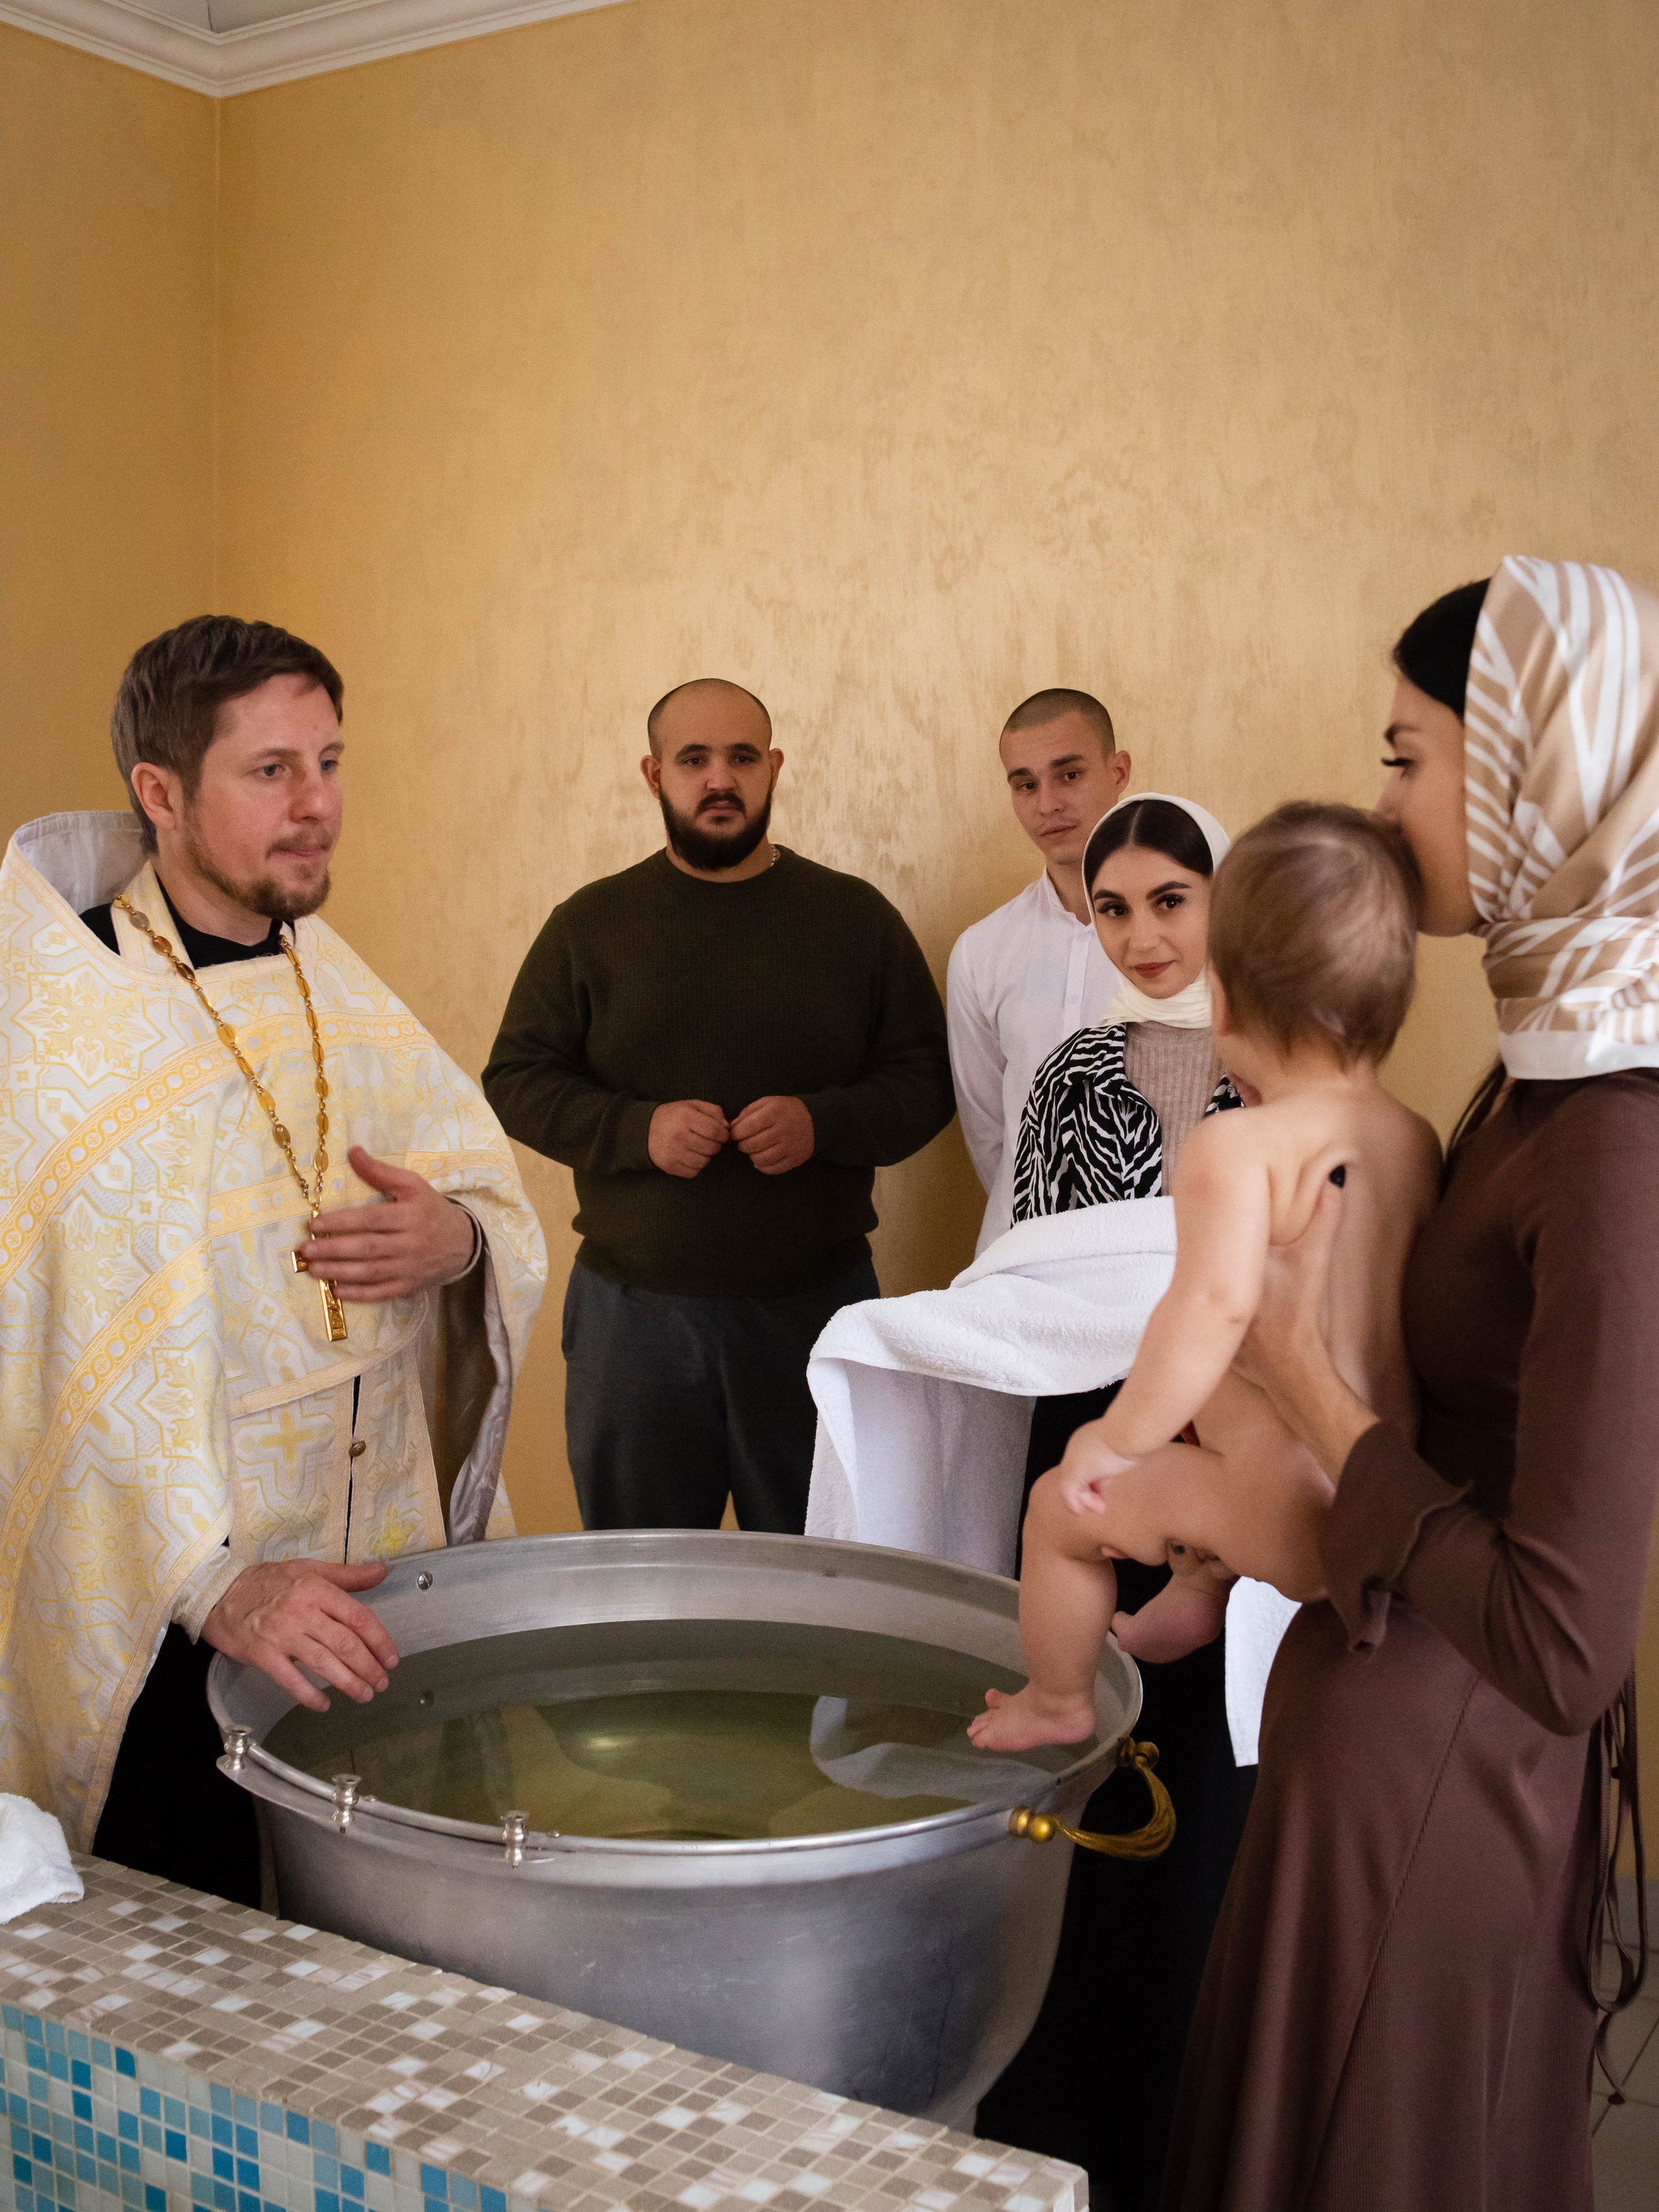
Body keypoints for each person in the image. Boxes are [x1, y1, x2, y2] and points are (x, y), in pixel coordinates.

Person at [1161, 557, 1659, 2211]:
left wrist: (1300, 1382)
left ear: (1532, 766)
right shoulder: (1546, 1066)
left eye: (1407, 754)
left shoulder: (1612, 1133)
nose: (1383, 804)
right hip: (1388, 1747)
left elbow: (1563, 1641)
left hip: (1435, 1779)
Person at [0, 616, 546, 1906]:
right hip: (175, 1620)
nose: (318, 805)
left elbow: (477, 1185)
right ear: (161, 791)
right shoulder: (65, 1028)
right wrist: (214, 1584)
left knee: (385, 1929)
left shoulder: (328, 975)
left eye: (330, 761)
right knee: (189, 1956)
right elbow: (55, 1346)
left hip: (370, 1567)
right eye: (271, 770)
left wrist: (457, 1236)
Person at [972, 804, 1441, 1754]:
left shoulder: (1238, 1145)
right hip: (1380, 1486)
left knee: (1060, 1508)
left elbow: (1208, 1310)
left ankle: (1057, 1698)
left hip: (1280, 1511)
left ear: (1224, 996)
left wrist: (1113, 1437)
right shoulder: (1410, 1138)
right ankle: (1200, 1588)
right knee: (1215, 1443)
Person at [482, 677, 955, 1535]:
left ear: (774, 767)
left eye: (741, 757)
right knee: (644, 1581)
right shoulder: (590, 925)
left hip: (817, 1311)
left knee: (823, 1571)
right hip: (634, 1323)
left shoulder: (855, 919)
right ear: (653, 773)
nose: (719, 779)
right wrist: (637, 1129)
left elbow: (926, 1081)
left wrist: (822, 1124)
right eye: (693, 759)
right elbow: (516, 1076)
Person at [975, 793, 1254, 2212]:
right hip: (1091, 1441)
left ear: (1225, 898)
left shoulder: (1283, 1059)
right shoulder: (1071, 1068)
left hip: (1238, 1440)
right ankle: (1067, 2100)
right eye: (1112, 906)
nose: (1141, 933)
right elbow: (1041, 1263)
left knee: (1203, 1780)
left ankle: (1186, 2110)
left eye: (1170, 899)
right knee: (1089, 1762)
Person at [947, 688, 1132, 1254]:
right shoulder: (982, 951)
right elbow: (990, 1134)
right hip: (1019, 1257)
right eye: (1025, 784)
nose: (1047, 803)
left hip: (1155, 1259)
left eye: (1069, 775)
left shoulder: (1198, 940)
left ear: (1118, 772)